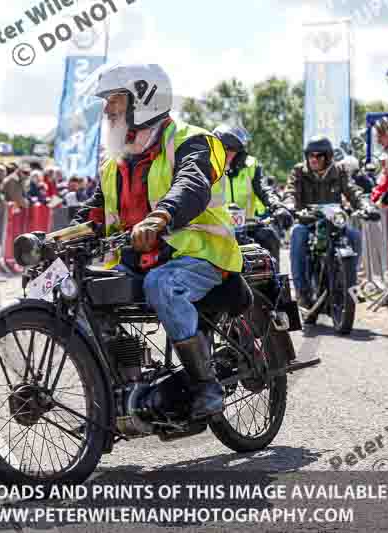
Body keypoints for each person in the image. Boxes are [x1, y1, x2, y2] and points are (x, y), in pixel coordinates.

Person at [75, 63, 242, 419]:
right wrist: (53, 240)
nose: (107, 110)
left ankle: (205, 385)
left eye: (115, 100)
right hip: (140, 255)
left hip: (198, 253)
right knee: (82, 288)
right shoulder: (116, 161)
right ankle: (121, 385)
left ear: (143, 100)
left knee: (161, 284)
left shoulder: (193, 141)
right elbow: (95, 213)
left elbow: (192, 184)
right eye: (106, 102)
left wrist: (160, 216)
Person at [288, 136, 371, 309]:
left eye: (319, 156)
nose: (314, 159)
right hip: (307, 222)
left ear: (328, 157)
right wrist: (289, 206)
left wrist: (366, 206)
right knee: (297, 234)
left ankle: (350, 284)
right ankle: (302, 291)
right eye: (311, 155)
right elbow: (291, 191)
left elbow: (353, 190)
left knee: (354, 235)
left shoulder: (339, 171)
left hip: (333, 222)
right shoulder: (299, 172)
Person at [212, 124, 291, 265]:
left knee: (270, 236)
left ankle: (275, 284)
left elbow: (264, 189)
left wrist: (278, 206)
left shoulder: (251, 165)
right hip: (214, 229)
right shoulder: (205, 167)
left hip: (247, 227)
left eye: (232, 149)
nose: (228, 153)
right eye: (224, 148)